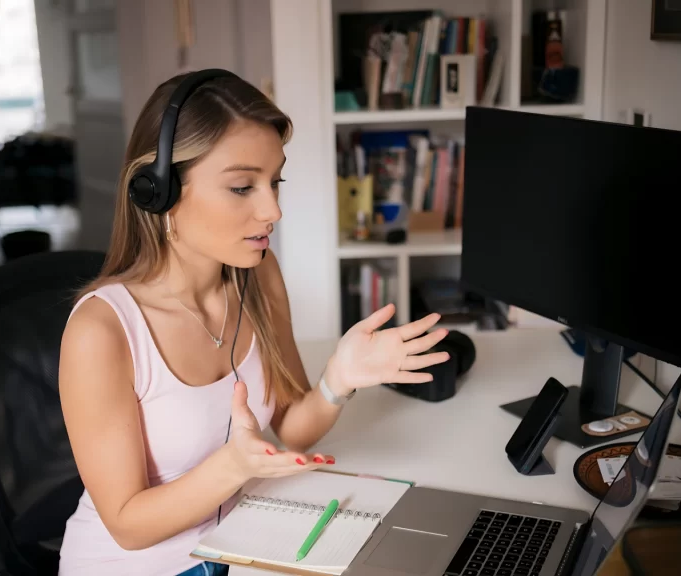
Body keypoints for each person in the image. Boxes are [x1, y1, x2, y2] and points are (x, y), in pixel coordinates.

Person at [57, 70, 450, 576]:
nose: (273, 210)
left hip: (239, 549)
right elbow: (128, 526)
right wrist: (235, 466)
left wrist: (338, 380)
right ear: (159, 192)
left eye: (274, 181)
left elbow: (294, 431)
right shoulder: (103, 332)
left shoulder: (256, 275)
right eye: (243, 187)